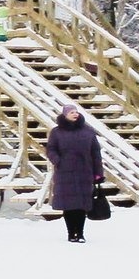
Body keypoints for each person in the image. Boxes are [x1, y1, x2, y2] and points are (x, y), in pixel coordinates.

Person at [46, 103, 104, 243]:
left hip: (84, 172)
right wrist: (58, 161)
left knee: (82, 205)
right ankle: (71, 233)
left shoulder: (88, 131)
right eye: (72, 112)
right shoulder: (56, 132)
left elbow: (95, 152)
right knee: (69, 205)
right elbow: (51, 149)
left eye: (76, 112)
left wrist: (98, 173)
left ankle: (80, 233)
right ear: (65, 115)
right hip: (65, 173)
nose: (75, 114)